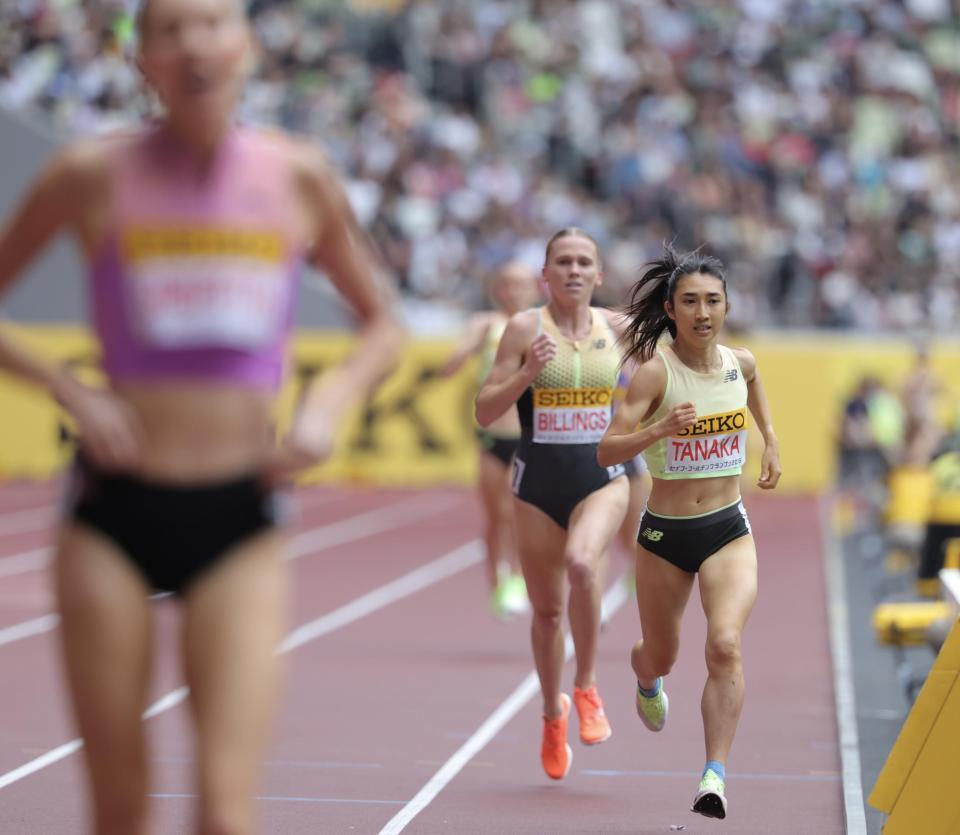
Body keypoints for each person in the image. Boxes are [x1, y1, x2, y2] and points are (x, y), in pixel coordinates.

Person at [0, 1, 404, 833]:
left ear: (246, 46)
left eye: (212, 21)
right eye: (170, 27)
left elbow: (385, 325)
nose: (193, 43)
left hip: (240, 514)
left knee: (224, 811)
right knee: (119, 809)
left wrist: (325, 405)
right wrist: (71, 391)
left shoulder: (297, 175)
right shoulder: (88, 174)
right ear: (140, 55)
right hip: (111, 508)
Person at [597, 244, 781, 820]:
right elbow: (607, 446)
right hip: (665, 537)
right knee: (661, 653)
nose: (703, 312)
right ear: (672, 311)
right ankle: (646, 679)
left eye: (713, 301)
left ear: (726, 306)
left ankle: (714, 775)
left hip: (728, 528)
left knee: (725, 645)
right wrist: (658, 431)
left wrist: (770, 439)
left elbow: (754, 389)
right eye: (690, 302)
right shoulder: (656, 373)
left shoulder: (739, 362)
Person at [476, 227, 629, 780]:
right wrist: (526, 373)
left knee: (583, 565)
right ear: (546, 274)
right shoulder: (524, 328)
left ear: (598, 274)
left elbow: (671, 378)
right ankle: (551, 713)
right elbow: (485, 410)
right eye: (562, 261)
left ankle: (586, 686)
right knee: (546, 613)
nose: (573, 270)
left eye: (583, 261)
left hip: (603, 478)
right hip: (536, 483)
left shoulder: (621, 329)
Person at [438, 261, 539, 618]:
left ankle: (516, 578)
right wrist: (466, 351)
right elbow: (447, 368)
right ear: (498, 290)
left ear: (535, 289)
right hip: (490, 434)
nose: (513, 292)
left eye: (521, 285)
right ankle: (497, 583)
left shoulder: (542, 325)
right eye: (507, 285)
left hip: (526, 433)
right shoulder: (483, 324)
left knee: (515, 511)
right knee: (495, 515)